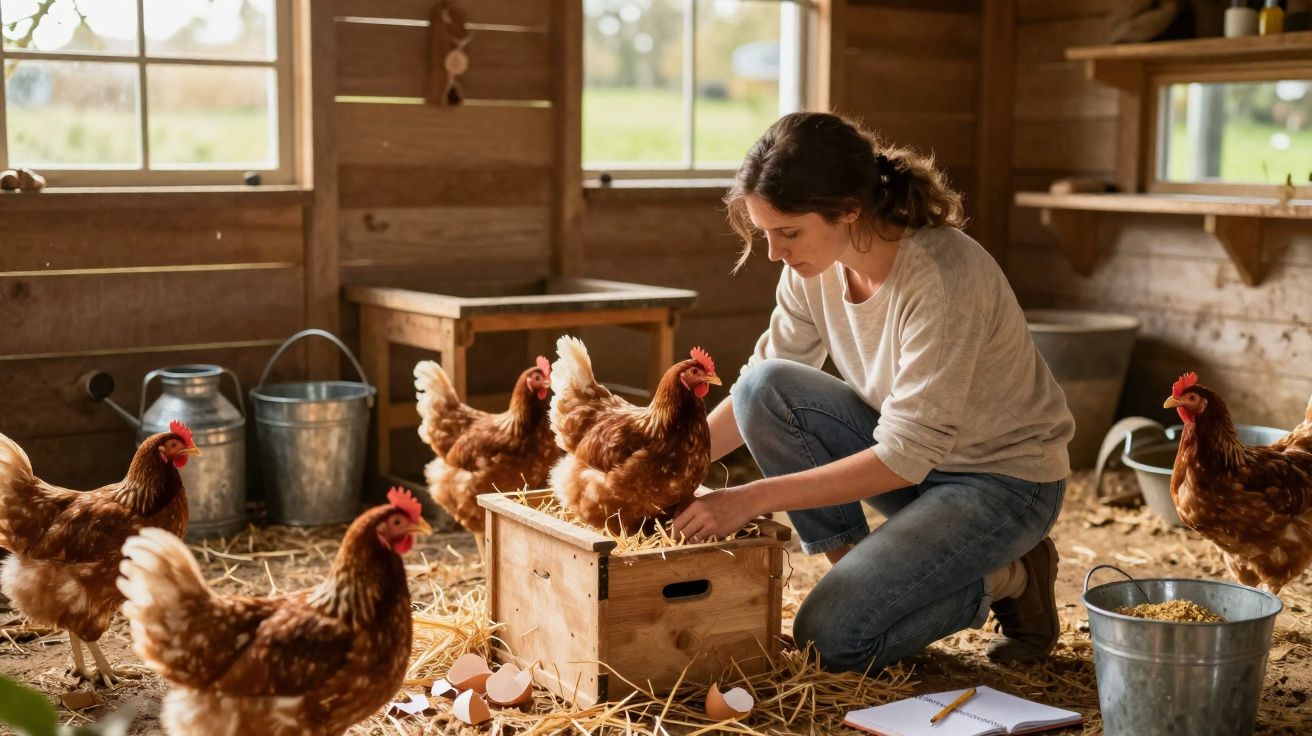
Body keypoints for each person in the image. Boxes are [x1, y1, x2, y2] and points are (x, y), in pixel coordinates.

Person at [671, 112, 1075, 672]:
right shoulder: (811, 270)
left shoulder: (939, 277)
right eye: (765, 233)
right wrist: (660, 469)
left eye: (788, 232)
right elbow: (757, 388)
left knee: (829, 641)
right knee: (763, 388)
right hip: (917, 464)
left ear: (849, 211)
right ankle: (863, 573)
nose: (774, 253)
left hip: (1002, 480)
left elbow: (904, 456)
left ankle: (1012, 575)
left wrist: (750, 498)